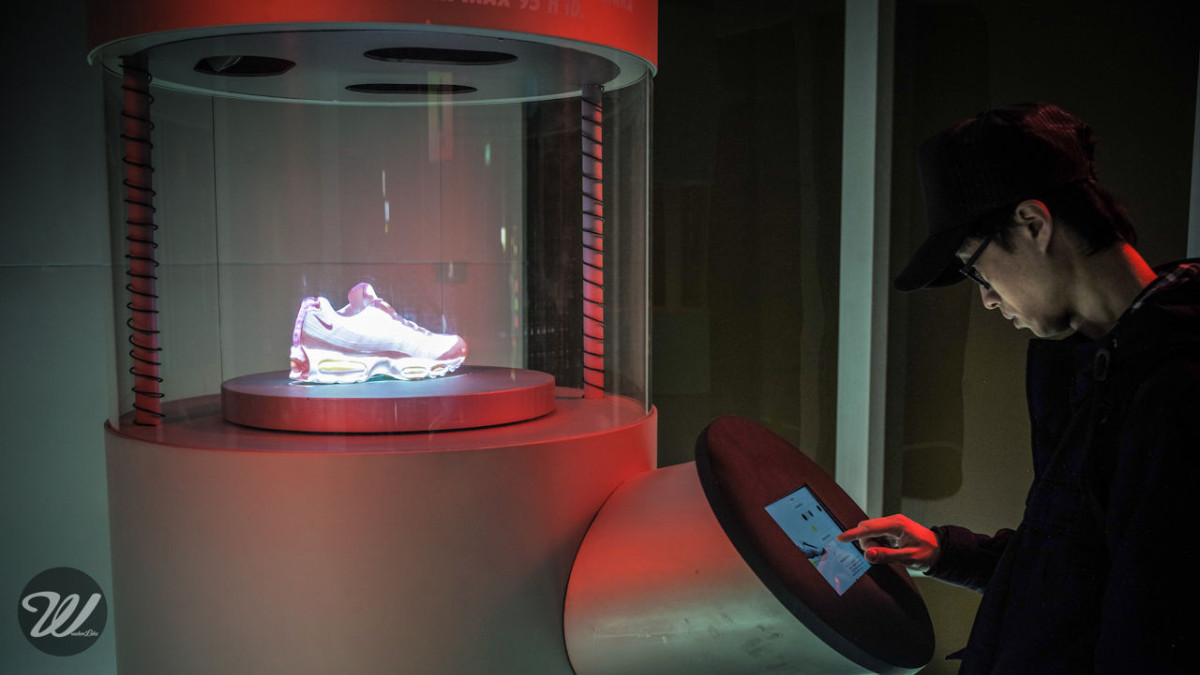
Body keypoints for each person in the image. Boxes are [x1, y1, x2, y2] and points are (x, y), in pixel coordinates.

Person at [837, 103, 1196, 673]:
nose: (985, 298)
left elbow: (1150, 622)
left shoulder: (1177, 383)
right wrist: (945, 551)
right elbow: (1076, 568)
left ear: (1033, 224)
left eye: (976, 268)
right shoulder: (1098, 363)